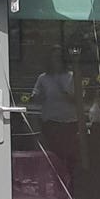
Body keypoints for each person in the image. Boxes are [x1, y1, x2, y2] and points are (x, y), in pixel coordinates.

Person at [31, 45, 79, 176]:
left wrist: (65, 93)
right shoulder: (43, 78)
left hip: (69, 121)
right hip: (51, 121)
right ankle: (54, 182)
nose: (56, 61)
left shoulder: (71, 76)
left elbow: (79, 99)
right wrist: (37, 96)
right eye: (53, 58)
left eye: (58, 58)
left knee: (68, 155)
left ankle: (69, 182)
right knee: (53, 155)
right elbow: (35, 96)